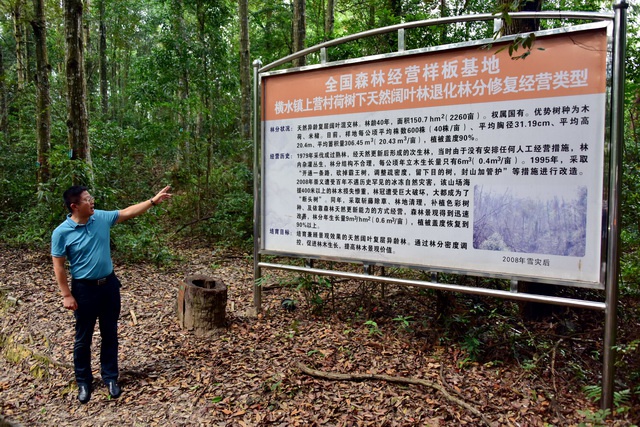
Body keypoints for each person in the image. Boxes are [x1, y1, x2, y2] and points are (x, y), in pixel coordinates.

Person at [51, 185, 172, 403]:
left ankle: (110, 377)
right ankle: (83, 382)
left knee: (110, 333)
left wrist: (153, 201)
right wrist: (66, 295)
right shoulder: (61, 232)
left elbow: (127, 212)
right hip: (84, 290)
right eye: (87, 199)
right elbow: (58, 266)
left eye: (91, 198)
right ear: (74, 206)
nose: (92, 201)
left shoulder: (101, 218)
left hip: (109, 286)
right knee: (83, 338)